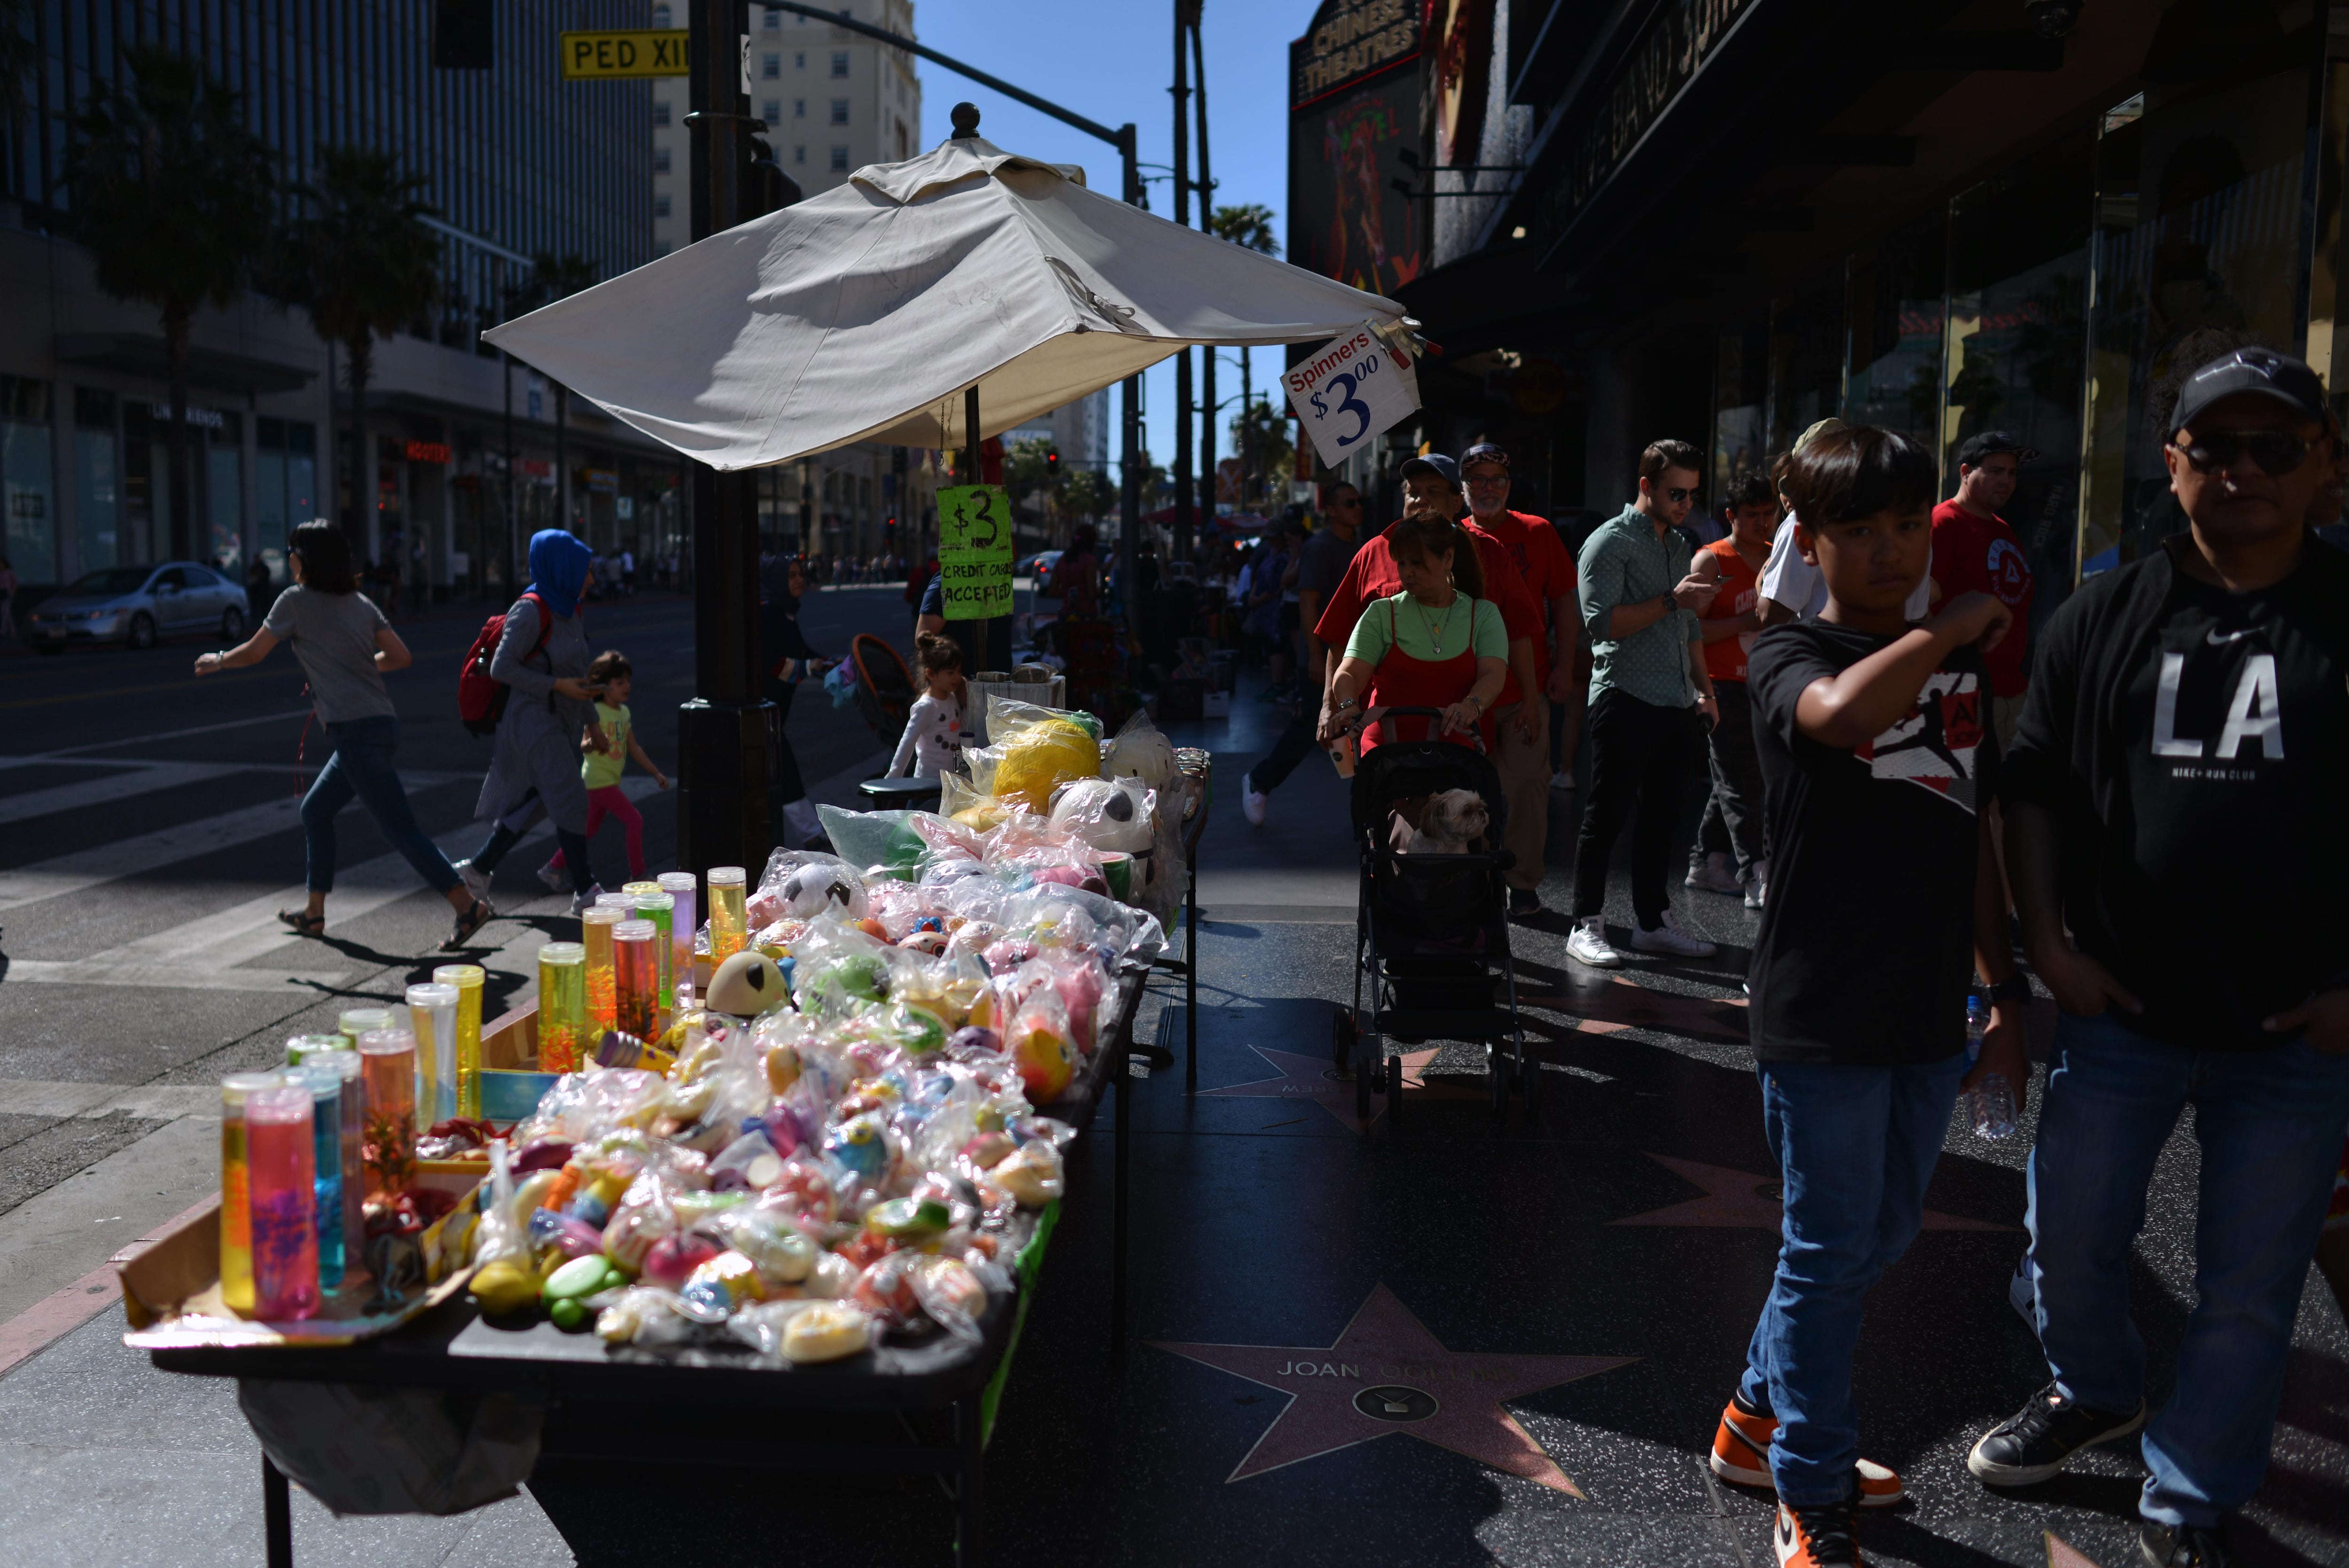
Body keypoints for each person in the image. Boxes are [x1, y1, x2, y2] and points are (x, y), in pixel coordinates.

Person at [1966, 348, 2349, 1568]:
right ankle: (2094, 1387)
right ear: (2173, 465)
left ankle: (2188, 1494)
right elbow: (2032, 791)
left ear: (2325, 468)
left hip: (2298, 1030)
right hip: (2119, 1007)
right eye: (2215, 447)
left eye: (2275, 448)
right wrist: (2044, 943)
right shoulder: (2107, 612)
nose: (2243, 470)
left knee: (2248, 1288)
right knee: (2067, 1234)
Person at [1720, 425, 2026, 1568]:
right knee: (1827, 1245)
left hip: (1925, 1003)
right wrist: (1942, 626)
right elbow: (1841, 716)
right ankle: (1810, 1486)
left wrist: (2004, 995)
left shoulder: (1952, 666)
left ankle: (1753, 1418)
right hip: (1819, 1006)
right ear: (1814, 539)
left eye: (1908, 525)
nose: (1891, 549)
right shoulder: (1783, 650)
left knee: (1875, 1234)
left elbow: (1974, 829)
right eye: (1861, 530)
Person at [196, 520, 493, 949]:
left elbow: (255, 652)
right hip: (379, 725)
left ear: (305, 559)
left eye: (293, 551)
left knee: (400, 830)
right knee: (315, 811)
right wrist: (353, 668)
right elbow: (401, 657)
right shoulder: (359, 603)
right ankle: (314, 914)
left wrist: (219, 659)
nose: (290, 558)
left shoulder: (295, 601)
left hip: (356, 732)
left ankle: (467, 906)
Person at [1566, 439, 1721, 968]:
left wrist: (1705, 690)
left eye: (1692, 495)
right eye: (1674, 492)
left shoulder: (1679, 543)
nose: (1683, 504)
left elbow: (1690, 624)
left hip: (1676, 700)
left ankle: (1651, 921)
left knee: (1663, 817)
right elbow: (1601, 624)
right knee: (1606, 814)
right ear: (1645, 486)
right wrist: (1670, 599)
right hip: (1624, 693)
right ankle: (1584, 922)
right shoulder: (1608, 543)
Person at [1312, 454, 1545, 794]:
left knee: (1476, 817)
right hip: (1385, 739)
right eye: (1412, 492)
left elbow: (1518, 634)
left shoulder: (1489, 558)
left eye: (1432, 492)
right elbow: (1341, 638)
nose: (1419, 499)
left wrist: (1527, 700)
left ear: (1456, 502)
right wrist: (1334, 707)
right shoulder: (1372, 557)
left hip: (1463, 737)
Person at [452, 528, 604, 916]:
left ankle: (478, 869)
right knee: (570, 795)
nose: (591, 579)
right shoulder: (530, 608)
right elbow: (502, 667)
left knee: (537, 800)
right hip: (529, 721)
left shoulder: (569, 608)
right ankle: (586, 890)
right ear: (562, 569)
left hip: (558, 719)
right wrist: (556, 686)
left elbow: (579, 674)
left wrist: (593, 724)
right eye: (585, 571)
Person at [1462, 441, 1579, 919]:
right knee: (1467, 792)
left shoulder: (1538, 532)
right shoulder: (1448, 537)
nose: (1487, 488)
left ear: (1510, 486)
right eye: (1478, 479)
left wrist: (1566, 665)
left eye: (1497, 479)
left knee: (1529, 783)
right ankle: (1471, 875)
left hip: (1525, 691)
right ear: (1463, 488)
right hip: (1467, 694)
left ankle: (1522, 880)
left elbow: (1564, 601)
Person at [1317, 514, 1508, 752]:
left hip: (1456, 754)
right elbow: (1350, 673)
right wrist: (1348, 705)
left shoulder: (1483, 614)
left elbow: (1493, 676)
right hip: (1386, 753)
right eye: (1402, 563)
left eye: (1417, 563)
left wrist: (1471, 706)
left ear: (1447, 558)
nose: (1407, 572)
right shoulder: (1381, 612)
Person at [1241, 482, 1367, 825]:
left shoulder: (1356, 547)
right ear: (1331, 509)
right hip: (1322, 658)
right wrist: (1314, 655)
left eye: (1360, 502)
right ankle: (1261, 780)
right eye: (1350, 502)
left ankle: (1364, 802)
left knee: (1351, 730)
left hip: (1354, 657)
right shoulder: (1320, 547)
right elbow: (1309, 602)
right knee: (1310, 729)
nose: (1358, 507)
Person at [1686, 469, 1778, 908]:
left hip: (1765, 683)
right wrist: (1742, 623)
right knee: (1744, 781)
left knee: (1735, 776)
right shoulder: (1712, 559)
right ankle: (1755, 872)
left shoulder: (1778, 554)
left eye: (1769, 513)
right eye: (1752, 515)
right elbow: (1690, 629)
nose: (1763, 523)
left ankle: (1705, 861)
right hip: (1721, 683)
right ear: (1730, 516)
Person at [1757, 420, 1934, 629]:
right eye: (1861, 532)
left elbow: (1771, 614)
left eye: (1907, 526)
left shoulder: (1805, 518)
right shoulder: (1913, 527)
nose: (1890, 554)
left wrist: (1762, 583)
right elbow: (1917, 617)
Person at [1931, 431, 2037, 753]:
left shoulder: (2002, 527)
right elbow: (1920, 607)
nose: (2006, 480)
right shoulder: (1944, 523)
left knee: (2007, 798)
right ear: (1965, 473)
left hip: (2011, 693)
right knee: (1959, 799)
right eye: (1995, 471)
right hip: (1960, 691)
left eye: (2012, 472)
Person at [539, 649, 669, 888]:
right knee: (634, 820)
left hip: (607, 780)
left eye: (628, 681)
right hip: (597, 780)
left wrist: (655, 773)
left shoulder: (624, 713)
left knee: (587, 830)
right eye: (620, 682)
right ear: (604, 685)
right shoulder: (596, 712)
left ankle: (553, 867)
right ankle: (639, 873)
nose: (627, 686)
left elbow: (634, 747)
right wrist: (593, 744)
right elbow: (584, 745)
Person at [762, 555, 836, 849]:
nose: (799, 580)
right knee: (784, 770)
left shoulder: (784, 614)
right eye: (791, 575)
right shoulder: (768, 614)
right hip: (762, 713)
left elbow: (802, 652)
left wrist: (832, 664)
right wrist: (810, 667)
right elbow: (768, 660)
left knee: (779, 772)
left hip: (774, 715)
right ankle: (810, 837)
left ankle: (807, 835)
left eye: (800, 574)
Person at [888, 631, 967, 778]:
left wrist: (967, 706)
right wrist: (894, 776)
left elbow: (961, 731)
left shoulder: (952, 698)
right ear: (931, 674)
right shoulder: (927, 706)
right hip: (927, 781)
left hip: (952, 779)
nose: (958, 677)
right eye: (951, 673)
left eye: (958, 671)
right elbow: (908, 741)